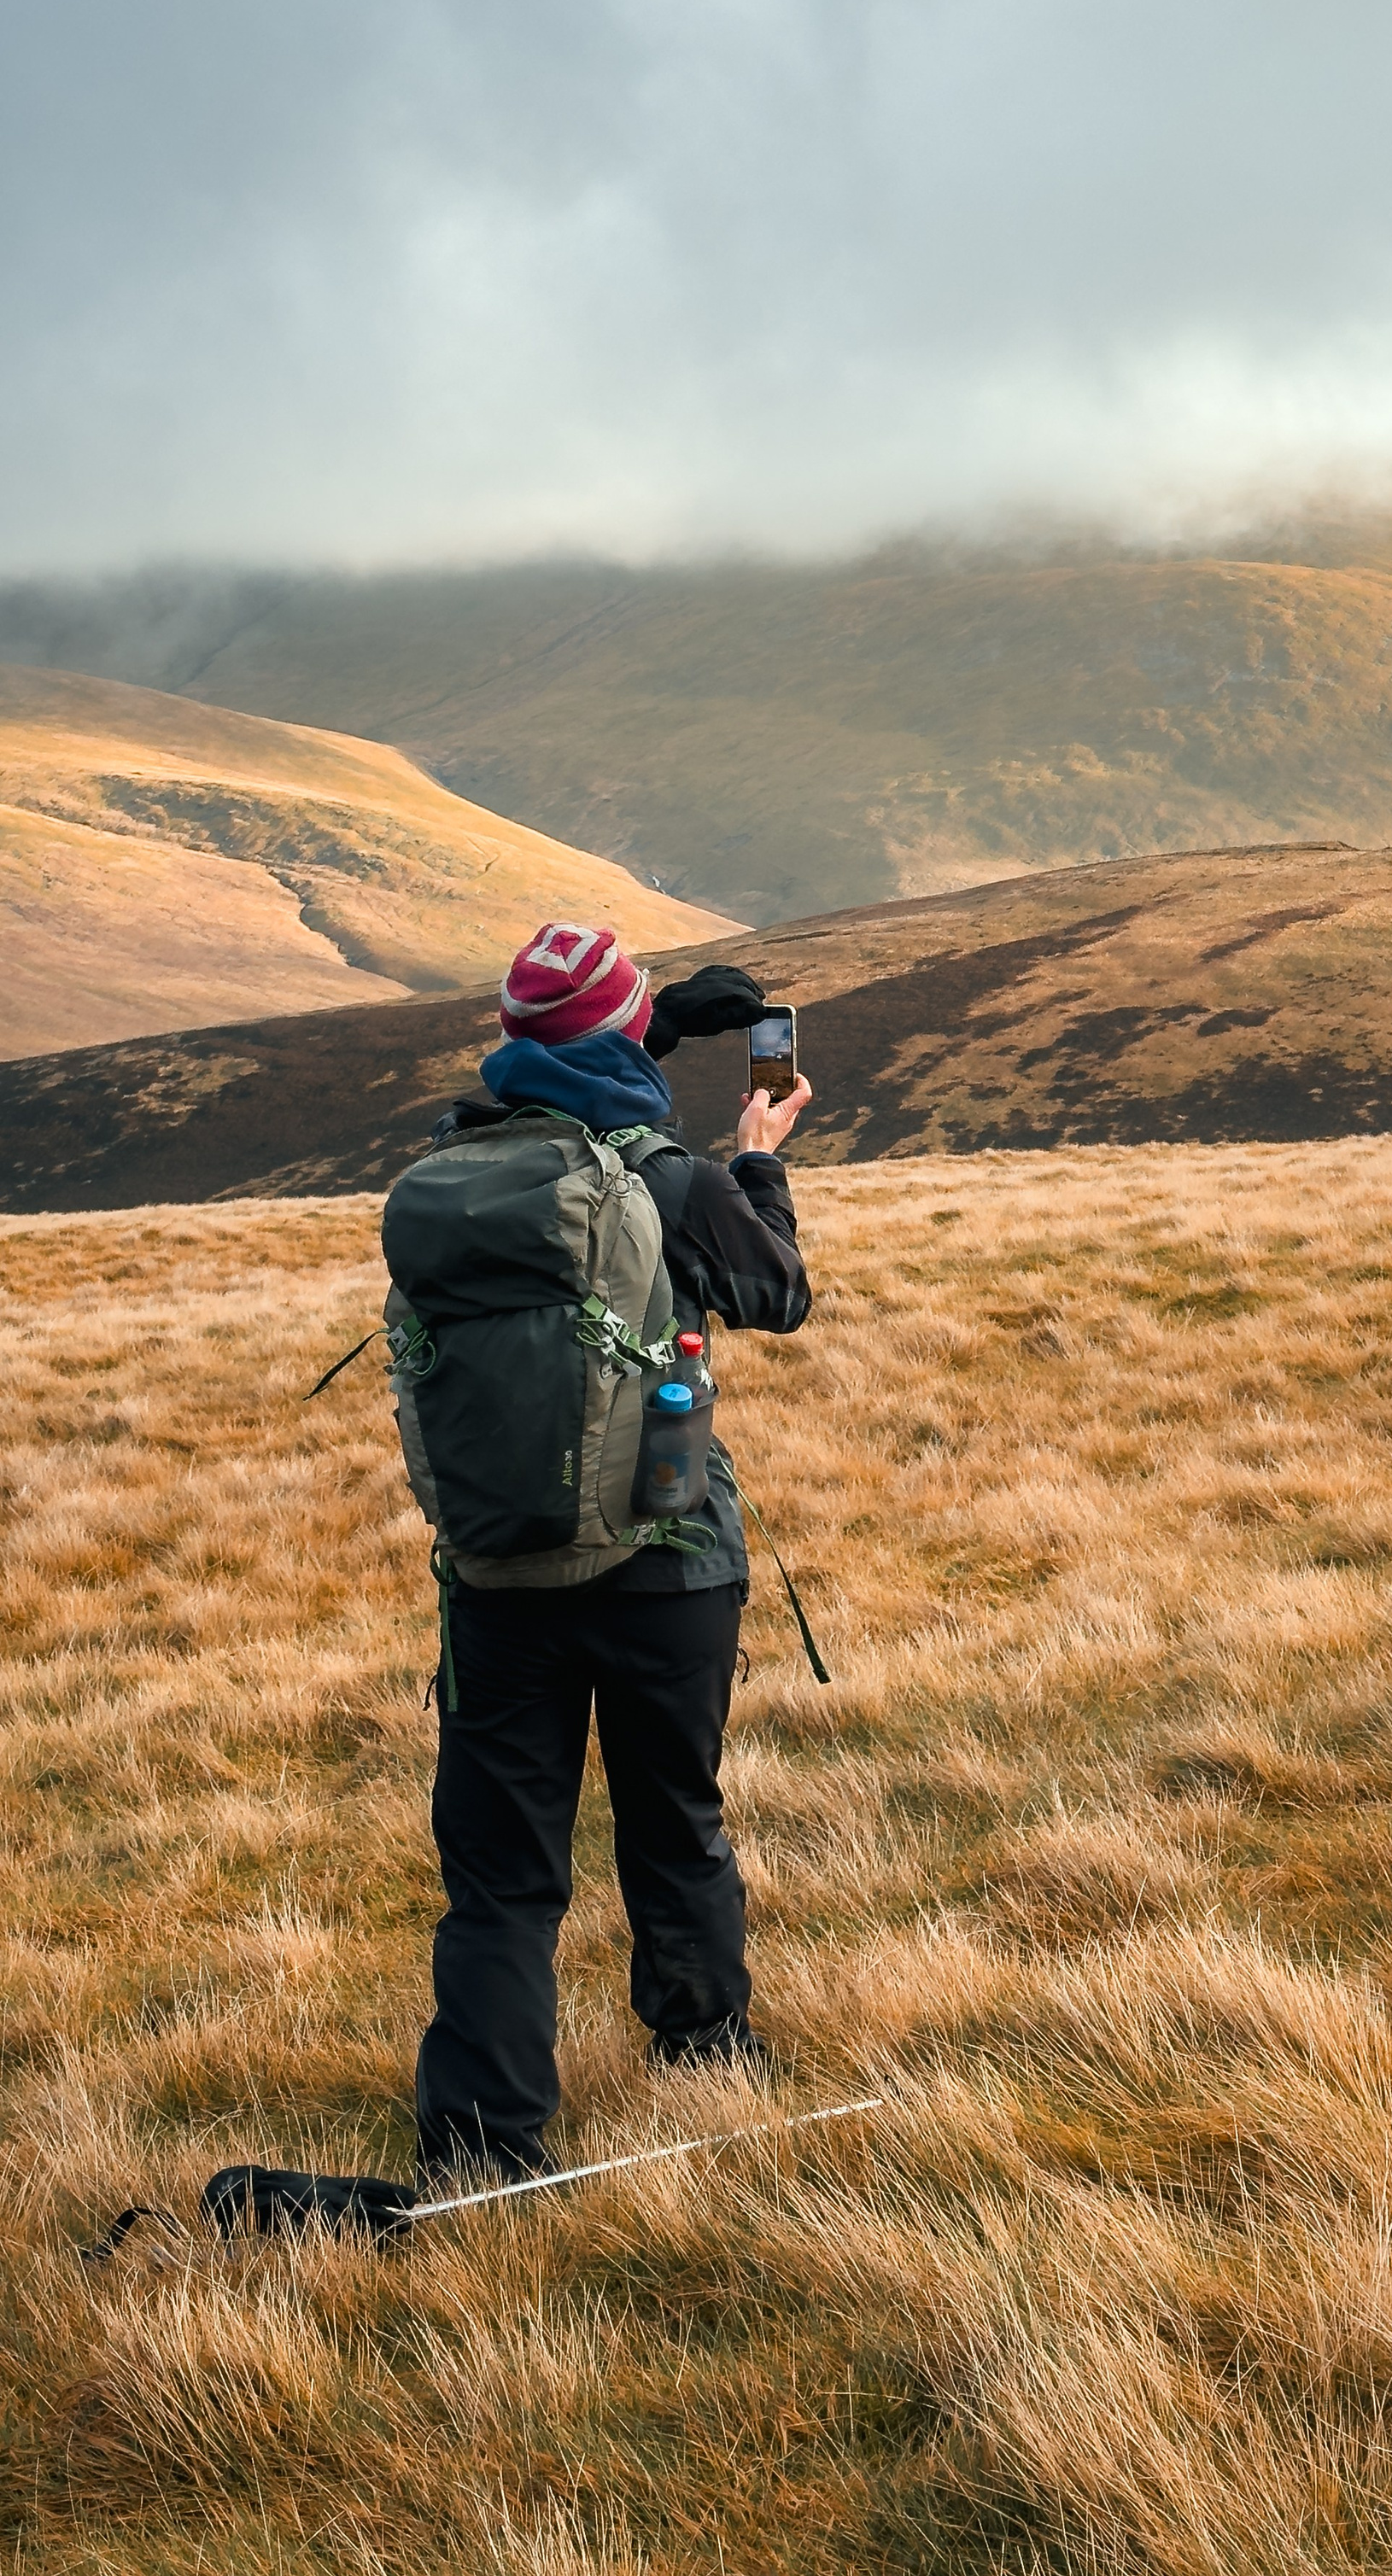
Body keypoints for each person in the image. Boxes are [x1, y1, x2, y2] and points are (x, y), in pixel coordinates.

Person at [408, 921, 812, 2181]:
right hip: (669, 1558)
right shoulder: (673, 1179)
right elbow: (778, 1293)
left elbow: (580, 1062)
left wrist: (655, 1019)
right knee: (671, 1822)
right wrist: (756, 1164)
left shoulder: (459, 1169)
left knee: (501, 1876)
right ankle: (704, 2059)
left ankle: (484, 2145)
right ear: (620, 1039)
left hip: (498, 1578)